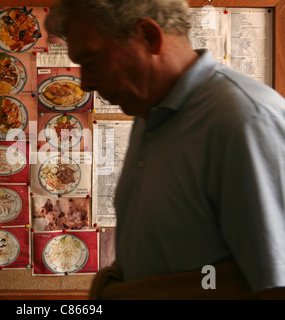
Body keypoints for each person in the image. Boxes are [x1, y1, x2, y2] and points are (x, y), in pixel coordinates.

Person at [46, 0, 285, 299]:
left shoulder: (244, 121)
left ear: (149, 37)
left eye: (92, 61)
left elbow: (276, 285)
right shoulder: (151, 112)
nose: (86, 83)